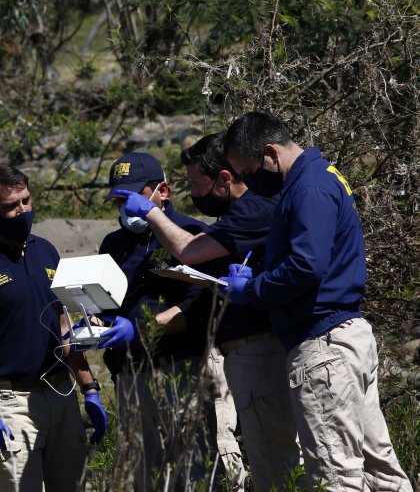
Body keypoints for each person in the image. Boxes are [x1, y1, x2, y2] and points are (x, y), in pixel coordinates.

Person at [221, 112, 412, 491]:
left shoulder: (307, 188)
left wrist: (253, 289)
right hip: (346, 339)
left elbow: (307, 264)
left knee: (334, 472)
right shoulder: (322, 176)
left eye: (247, 171)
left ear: (270, 153)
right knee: (379, 468)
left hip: (324, 347)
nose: (247, 182)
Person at [119, 133, 300, 491]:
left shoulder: (252, 209)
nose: (195, 194)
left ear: (225, 179)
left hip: (254, 352)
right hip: (236, 354)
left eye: (195, 185)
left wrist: (153, 215)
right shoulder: (117, 243)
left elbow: (188, 252)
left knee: (275, 467)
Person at [0, 164, 107, 492]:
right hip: (11, 401)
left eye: (26, 201)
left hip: (61, 393)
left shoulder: (46, 250)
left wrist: (89, 387)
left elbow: (61, 322)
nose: (22, 211)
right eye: (11, 206)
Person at [96, 152, 220, 489]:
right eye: (119, 200)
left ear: (162, 191)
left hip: (179, 369)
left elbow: (199, 309)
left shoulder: (193, 235)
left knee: (195, 469)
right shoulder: (113, 244)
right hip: (131, 375)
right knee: (144, 474)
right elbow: (104, 305)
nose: (124, 208)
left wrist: (140, 328)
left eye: (133, 197)